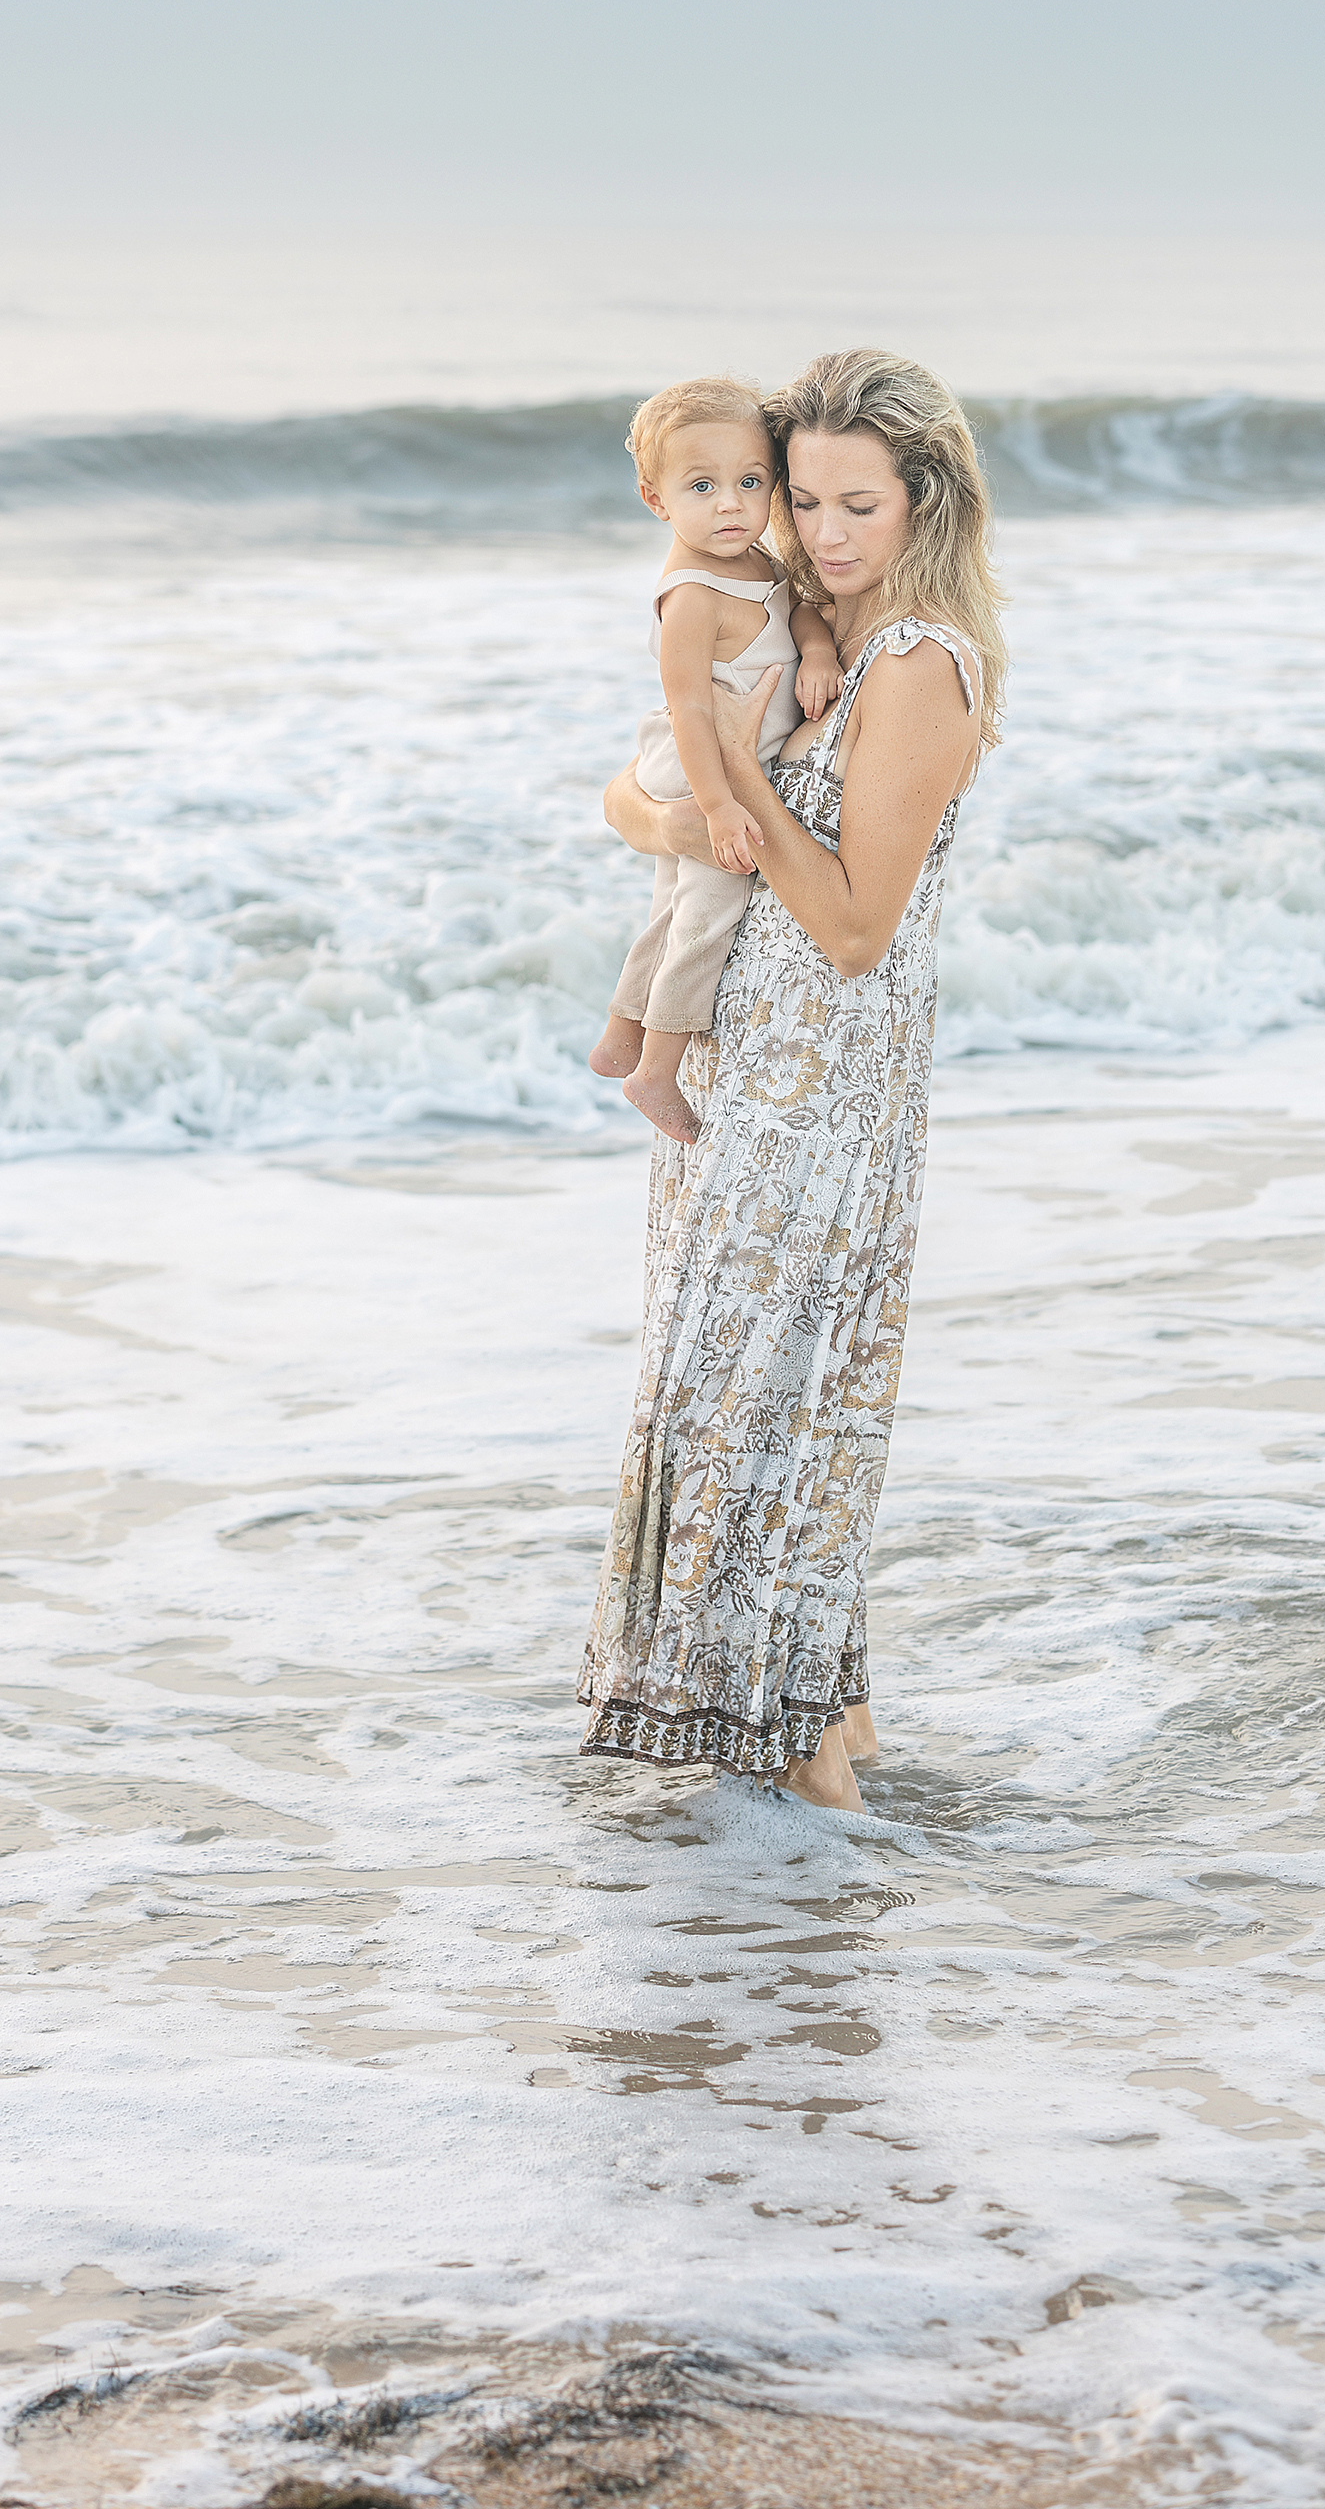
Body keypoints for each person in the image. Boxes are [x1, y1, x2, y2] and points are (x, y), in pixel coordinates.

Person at [576, 347, 1007, 1816]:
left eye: (856, 505)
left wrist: (732, 794)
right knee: (722, 1400)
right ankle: (818, 1755)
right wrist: (682, 794)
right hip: (737, 1088)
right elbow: (628, 795)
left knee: (780, 1408)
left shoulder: (920, 668)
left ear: (924, 501)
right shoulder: (790, 629)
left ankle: (809, 1811)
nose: (820, 532)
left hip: (821, 1107)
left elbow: (847, 924)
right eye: (802, 498)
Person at [589, 377, 842, 1144]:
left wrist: (820, 649)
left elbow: (796, 608)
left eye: (750, 482)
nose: (730, 504)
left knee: (670, 905)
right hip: (700, 766)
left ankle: (621, 1032)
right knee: (709, 911)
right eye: (702, 486)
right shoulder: (691, 596)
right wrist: (723, 805)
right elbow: (692, 710)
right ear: (654, 498)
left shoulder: (755, 561)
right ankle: (656, 1073)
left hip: (719, 764)